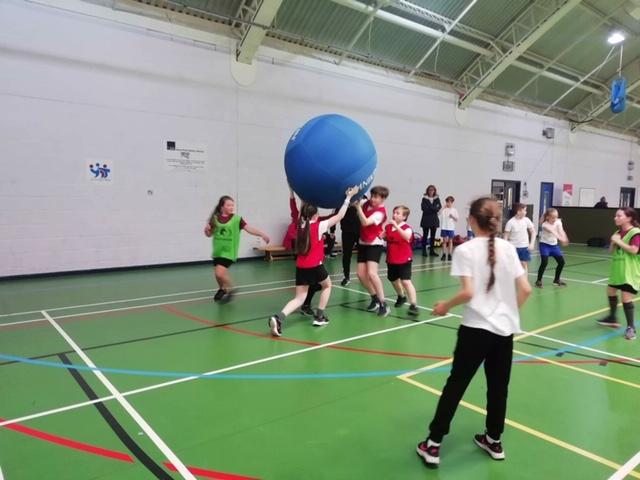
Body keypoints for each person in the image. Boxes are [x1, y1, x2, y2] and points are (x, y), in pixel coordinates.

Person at [416, 196, 532, 467]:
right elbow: (526, 289)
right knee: (498, 388)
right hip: (503, 332)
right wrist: (506, 313)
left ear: (471, 220)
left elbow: (468, 292)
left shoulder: (465, 250)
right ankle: (494, 440)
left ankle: (433, 445)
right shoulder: (508, 248)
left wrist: (445, 305)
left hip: (475, 331)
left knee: (456, 385)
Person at [268, 186, 359, 337]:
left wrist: (295, 191)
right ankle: (319, 317)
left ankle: (278, 318)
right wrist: (348, 198)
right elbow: (340, 216)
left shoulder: (300, 224)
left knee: (299, 298)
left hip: (301, 266)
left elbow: (301, 207)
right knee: (327, 286)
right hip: (315, 266)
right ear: (316, 215)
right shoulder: (319, 226)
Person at [205, 196, 270, 301]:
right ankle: (222, 289)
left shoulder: (237, 219)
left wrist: (262, 234)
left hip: (228, 252)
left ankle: (232, 289)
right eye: (228, 205)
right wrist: (207, 231)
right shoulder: (215, 219)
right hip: (217, 251)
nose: (231, 207)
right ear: (222, 207)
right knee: (218, 275)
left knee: (219, 273)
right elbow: (209, 234)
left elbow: (249, 229)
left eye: (232, 205)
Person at [596, 207, 640, 340]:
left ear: (629, 218)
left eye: (619, 216)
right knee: (610, 291)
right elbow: (611, 251)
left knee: (626, 297)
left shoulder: (635, 232)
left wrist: (618, 241)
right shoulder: (618, 232)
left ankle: (631, 327)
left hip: (629, 270)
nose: (615, 218)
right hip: (617, 269)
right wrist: (613, 242)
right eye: (616, 215)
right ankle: (612, 318)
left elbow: (634, 250)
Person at [356, 186, 390, 317]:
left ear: (383, 199)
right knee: (361, 274)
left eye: (376, 197)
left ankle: (383, 303)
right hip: (363, 242)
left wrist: (358, 207)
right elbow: (355, 201)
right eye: (372, 196)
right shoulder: (366, 204)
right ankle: (374, 298)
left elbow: (365, 222)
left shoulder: (380, 213)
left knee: (371, 273)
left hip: (374, 244)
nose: (372, 199)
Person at [382, 205, 419, 316]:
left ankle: (414, 305)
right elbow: (388, 238)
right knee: (393, 279)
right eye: (394, 212)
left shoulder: (407, 228)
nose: (394, 215)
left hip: (404, 259)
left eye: (397, 213)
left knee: (406, 281)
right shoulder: (388, 227)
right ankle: (401, 296)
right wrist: (383, 236)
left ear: (404, 216)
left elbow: (407, 237)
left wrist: (396, 227)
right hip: (391, 259)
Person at [535, 208, 569, 288]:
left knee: (561, 262)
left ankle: (556, 279)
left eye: (556, 217)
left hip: (554, 245)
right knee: (544, 262)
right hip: (545, 245)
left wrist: (565, 238)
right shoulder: (545, 224)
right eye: (553, 218)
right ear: (548, 217)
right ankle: (538, 280)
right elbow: (553, 232)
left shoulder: (558, 222)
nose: (555, 219)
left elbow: (561, 231)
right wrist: (561, 239)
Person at [503, 203, 536, 276]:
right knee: (512, 265)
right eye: (524, 210)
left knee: (524, 264)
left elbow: (533, 232)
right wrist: (506, 246)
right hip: (513, 247)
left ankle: (525, 280)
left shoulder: (526, 220)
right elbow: (506, 235)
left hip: (524, 247)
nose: (526, 212)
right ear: (518, 212)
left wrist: (532, 244)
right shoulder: (510, 222)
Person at [339, 196, 363, 286]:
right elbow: (337, 213)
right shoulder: (343, 199)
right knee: (346, 255)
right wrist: (332, 230)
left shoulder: (363, 198)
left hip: (360, 232)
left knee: (362, 255)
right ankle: (346, 276)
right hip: (347, 232)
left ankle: (362, 276)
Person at [420, 185, 442, 257]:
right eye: (429, 190)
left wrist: (430, 207)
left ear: (434, 191)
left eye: (432, 190)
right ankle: (424, 251)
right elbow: (424, 209)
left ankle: (432, 251)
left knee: (433, 236)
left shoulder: (437, 199)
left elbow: (439, 207)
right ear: (427, 191)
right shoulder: (424, 199)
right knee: (425, 235)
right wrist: (434, 209)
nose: (431, 191)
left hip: (434, 220)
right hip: (426, 219)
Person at [439, 196, 458, 261]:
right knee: (444, 241)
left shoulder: (454, 210)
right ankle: (444, 254)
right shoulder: (444, 209)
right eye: (447, 202)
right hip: (444, 227)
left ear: (452, 202)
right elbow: (438, 213)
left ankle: (450, 254)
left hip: (451, 228)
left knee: (450, 241)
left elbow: (456, 219)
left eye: (449, 202)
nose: (448, 203)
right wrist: (443, 208)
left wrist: (453, 217)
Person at [283, 185, 299, 250]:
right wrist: (291, 191)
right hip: (292, 241)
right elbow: (293, 205)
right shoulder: (296, 217)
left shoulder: (311, 219)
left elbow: (326, 218)